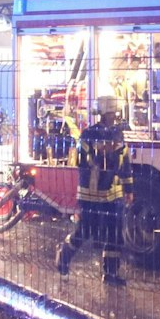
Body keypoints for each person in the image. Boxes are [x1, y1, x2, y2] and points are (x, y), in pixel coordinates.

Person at [56, 94, 131, 285]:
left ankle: (111, 274)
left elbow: (125, 163)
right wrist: (102, 158)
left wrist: (129, 188)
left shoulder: (118, 135)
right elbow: (83, 160)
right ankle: (63, 256)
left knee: (114, 234)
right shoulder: (88, 135)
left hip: (113, 195)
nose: (113, 116)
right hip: (91, 194)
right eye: (110, 113)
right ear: (102, 114)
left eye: (114, 113)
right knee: (86, 231)